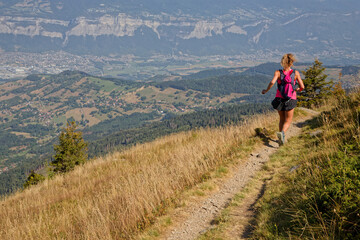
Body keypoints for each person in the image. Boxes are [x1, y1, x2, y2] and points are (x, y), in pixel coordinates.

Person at [261, 53, 305, 145]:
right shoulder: (295, 73)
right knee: (288, 120)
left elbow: (272, 82)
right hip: (291, 99)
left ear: (282, 62)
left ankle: (280, 137)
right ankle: (282, 134)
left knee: (281, 119)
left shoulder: (278, 72)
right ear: (292, 62)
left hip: (279, 99)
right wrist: (298, 89)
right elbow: (302, 86)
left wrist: (266, 90)